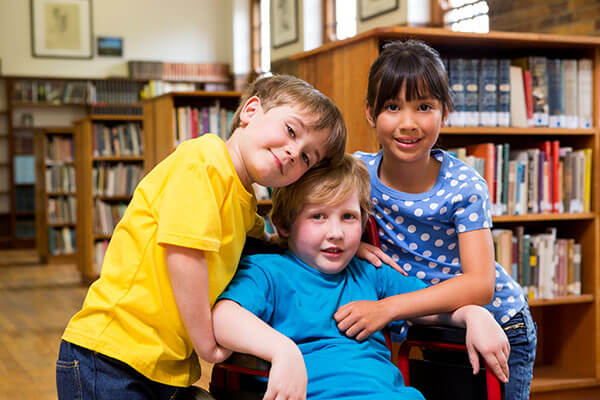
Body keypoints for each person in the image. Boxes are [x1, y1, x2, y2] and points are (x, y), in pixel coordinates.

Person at [56, 75, 347, 400]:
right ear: (251, 111)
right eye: (291, 131)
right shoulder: (205, 161)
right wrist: (206, 341)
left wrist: (342, 241)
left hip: (160, 365)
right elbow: (184, 256)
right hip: (112, 354)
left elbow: (269, 250)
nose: (294, 152)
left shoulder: (245, 201)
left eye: (308, 157)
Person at [213, 154, 510, 400]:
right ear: (284, 224)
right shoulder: (268, 272)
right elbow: (223, 317)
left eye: (348, 217)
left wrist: (473, 315)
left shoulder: (372, 274)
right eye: (318, 216)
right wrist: (281, 350)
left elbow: (431, 310)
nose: (336, 233)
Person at [346, 40, 536, 400]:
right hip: (430, 326)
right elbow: (300, 210)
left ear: (445, 112)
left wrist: (387, 309)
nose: (408, 123)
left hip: (496, 324)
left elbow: (480, 285)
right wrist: (352, 246)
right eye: (391, 106)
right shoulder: (356, 172)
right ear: (370, 113)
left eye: (424, 107)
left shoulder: (463, 186)